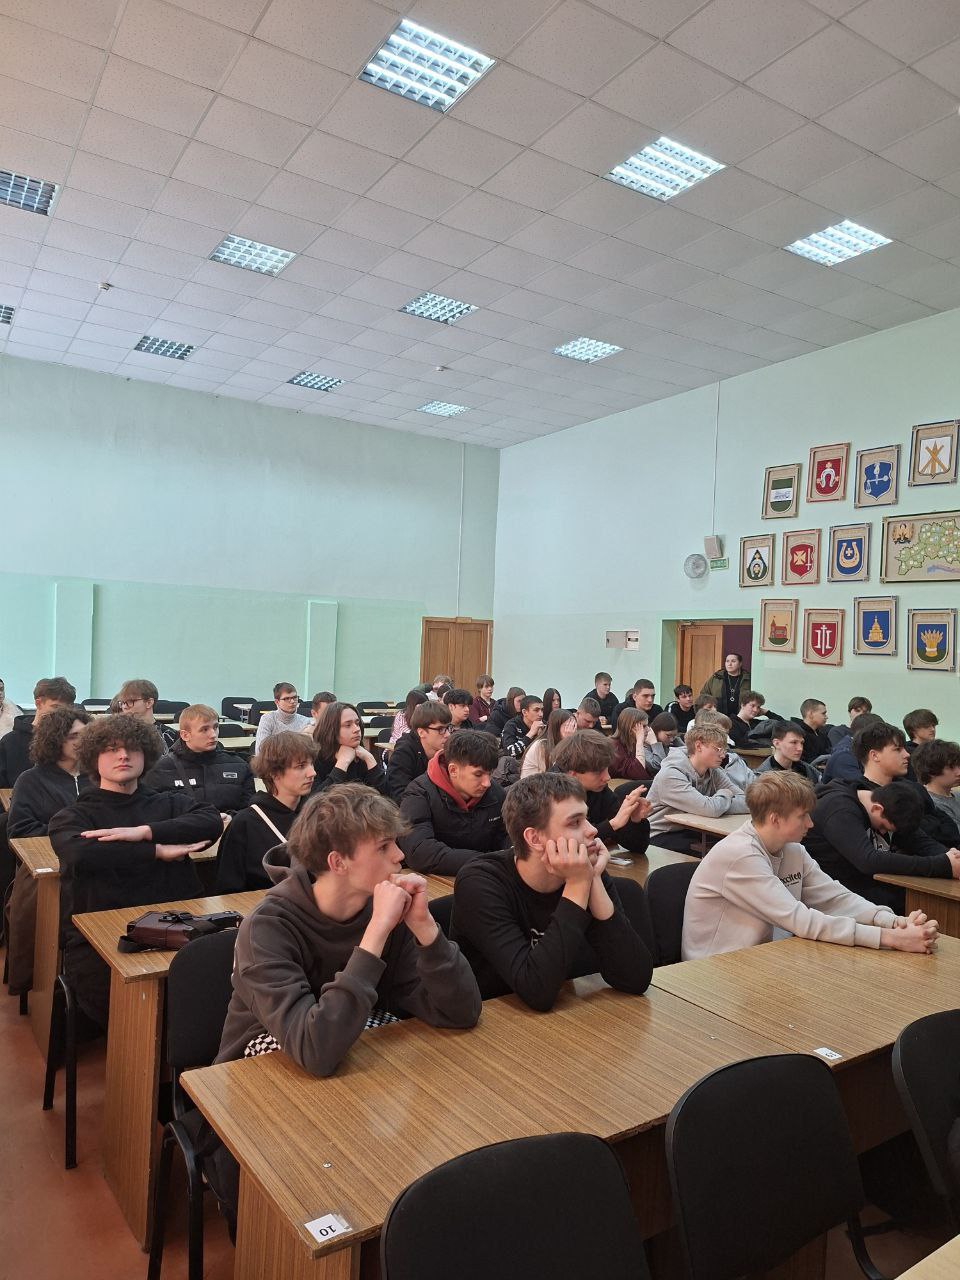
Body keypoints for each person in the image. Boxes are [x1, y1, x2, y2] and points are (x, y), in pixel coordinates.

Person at [208, 784, 481, 1222]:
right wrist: (376, 935)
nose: (400, 856)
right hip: (267, 1082)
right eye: (384, 847)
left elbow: (461, 1012)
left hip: (357, 1070)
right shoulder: (267, 927)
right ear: (338, 862)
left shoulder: (382, 909)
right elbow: (315, 1050)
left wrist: (425, 928)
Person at [47, 714, 222, 1029]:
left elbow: (210, 821)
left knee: (204, 1005)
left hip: (177, 926)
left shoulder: (167, 803)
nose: (123, 755)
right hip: (106, 938)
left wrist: (144, 832)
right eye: (111, 749)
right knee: (132, 1014)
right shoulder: (74, 816)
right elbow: (79, 853)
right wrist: (155, 851)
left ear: (146, 755)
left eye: (132, 748)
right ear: (93, 757)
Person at [681, 772, 940, 961]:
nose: (811, 824)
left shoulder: (793, 849)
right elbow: (801, 920)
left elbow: (834, 897)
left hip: (767, 958)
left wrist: (894, 923)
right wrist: (892, 939)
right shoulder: (741, 856)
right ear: (775, 819)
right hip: (717, 970)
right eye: (802, 816)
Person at [452, 772, 653, 1009]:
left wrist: (593, 880)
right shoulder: (480, 883)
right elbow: (537, 992)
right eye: (575, 822)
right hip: (496, 1020)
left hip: (567, 1017)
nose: (592, 830)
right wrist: (578, 885)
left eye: (587, 819)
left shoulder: (584, 870)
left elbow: (635, 979)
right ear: (534, 838)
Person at [6, 705, 91, 996]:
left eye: (85, 735)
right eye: (74, 736)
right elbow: (19, 830)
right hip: (47, 867)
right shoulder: (31, 780)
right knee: (36, 905)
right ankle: (40, 982)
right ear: (55, 741)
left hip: (93, 861)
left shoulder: (97, 775)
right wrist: (69, 836)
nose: (82, 741)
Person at [807, 776, 960, 912]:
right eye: (883, 827)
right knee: (905, 902)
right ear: (877, 809)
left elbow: (918, 840)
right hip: (831, 891)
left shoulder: (887, 803)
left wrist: (950, 857)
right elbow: (868, 861)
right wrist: (942, 865)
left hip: (863, 882)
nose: (882, 832)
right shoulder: (839, 809)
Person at [214, 732, 316, 893]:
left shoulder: (317, 816)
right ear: (274, 773)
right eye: (301, 766)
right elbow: (229, 889)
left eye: (312, 764)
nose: (312, 773)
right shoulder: (245, 823)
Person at [398, 730, 507, 874]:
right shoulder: (419, 794)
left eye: (490, 773)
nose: (487, 783)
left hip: (485, 873)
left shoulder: (495, 793)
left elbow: (507, 836)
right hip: (433, 878)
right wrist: (485, 861)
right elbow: (419, 851)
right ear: (453, 770)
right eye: (478, 774)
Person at [645, 723, 748, 852]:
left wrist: (717, 806)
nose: (723, 755)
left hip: (693, 829)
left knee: (736, 843)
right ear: (698, 746)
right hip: (659, 835)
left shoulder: (713, 770)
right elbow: (710, 809)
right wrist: (725, 794)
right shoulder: (671, 775)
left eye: (724, 750)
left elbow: (747, 801)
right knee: (715, 851)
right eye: (718, 749)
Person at [551, 731, 651, 854]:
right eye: (598, 772)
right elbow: (565, 846)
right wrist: (613, 824)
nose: (607, 777)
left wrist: (635, 820)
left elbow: (638, 847)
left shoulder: (600, 791)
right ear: (573, 775)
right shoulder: (551, 796)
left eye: (607, 769)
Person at [145, 704, 255, 815]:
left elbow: (250, 811)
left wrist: (232, 817)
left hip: (231, 825)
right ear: (185, 735)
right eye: (204, 729)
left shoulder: (239, 766)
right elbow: (156, 814)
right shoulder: (160, 770)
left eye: (215, 727)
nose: (213, 734)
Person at [0, 676, 78, 787]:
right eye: (56, 707)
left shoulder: (70, 741)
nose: (61, 714)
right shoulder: (11, 741)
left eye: (66, 709)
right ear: (38, 703)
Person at [312, 701, 386, 794]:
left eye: (357, 723)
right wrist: (342, 763)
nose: (357, 729)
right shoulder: (314, 759)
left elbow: (387, 796)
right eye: (348, 725)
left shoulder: (362, 756)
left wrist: (370, 759)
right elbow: (316, 799)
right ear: (331, 729)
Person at [385, 701, 452, 802]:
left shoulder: (449, 749)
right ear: (421, 732)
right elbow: (400, 795)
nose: (447, 734)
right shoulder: (403, 753)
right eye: (440, 729)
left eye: (448, 728)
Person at [913, 740, 960, 837]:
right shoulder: (932, 804)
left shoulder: (956, 795)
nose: (958, 772)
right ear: (932, 771)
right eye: (951, 767)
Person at [117, 678, 178, 752]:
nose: (124, 706)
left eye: (130, 701)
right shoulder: (117, 734)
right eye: (122, 703)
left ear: (149, 703)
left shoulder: (171, 735)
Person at [822, 712, 885, 782]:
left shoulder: (862, 749)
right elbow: (862, 785)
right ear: (864, 735)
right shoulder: (844, 756)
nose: (882, 741)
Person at [521, 708, 577, 779]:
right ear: (556, 727)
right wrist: (568, 741)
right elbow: (554, 775)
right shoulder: (541, 745)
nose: (572, 730)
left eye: (574, 726)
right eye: (568, 726)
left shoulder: (562, 744)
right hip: (534, 784)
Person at [254, 682, 312, 750]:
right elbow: (260, 749)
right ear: (277, 702)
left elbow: (309, 750)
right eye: (287, 698)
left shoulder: (306, 721)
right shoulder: (268, 719)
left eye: (295, 697)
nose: (292, 701)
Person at [699, 653, 750, 718]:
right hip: (718, 717)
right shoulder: (716, 677)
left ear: (740, 664)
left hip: (741, 718)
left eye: (733, 661)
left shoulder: (748, 679)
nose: (729, 664)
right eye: (727, 661)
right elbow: (704, 695)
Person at [608, 708, 652, 782]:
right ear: (630, 728)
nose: (648, 729)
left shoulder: (631, 744)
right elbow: (638, 773)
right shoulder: (614, 747)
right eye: (644, 726)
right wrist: (639, 742)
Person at [502, 695, 545, 759]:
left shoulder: (545, 725)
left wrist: (541, 737)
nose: (541, 714)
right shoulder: (512, 725)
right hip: (516, 763)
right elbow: (510, 752)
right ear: (524, 712)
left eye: (542, 710)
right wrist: (530, 734)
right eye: (536, 710)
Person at [790, 698, 831, 763]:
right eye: (823, 713)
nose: (826, 717)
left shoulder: (823, 735)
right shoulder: (797, 735)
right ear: (811, 714)